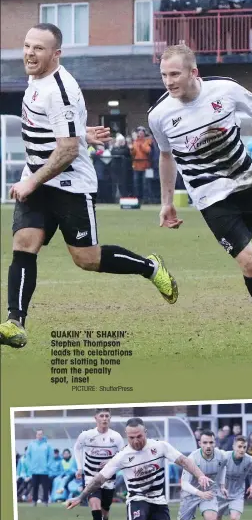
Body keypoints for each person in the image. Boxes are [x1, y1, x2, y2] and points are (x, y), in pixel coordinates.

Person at [0, 23, 178, 350]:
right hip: (39, 179)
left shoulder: (59, 88)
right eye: (27, 45)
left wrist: (32, 180)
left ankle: (149, 267)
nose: (29, 53)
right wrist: (82, 132)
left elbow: (67, 151)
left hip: (70, 184)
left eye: (38, 48)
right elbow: (59, 127)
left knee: (87, 259)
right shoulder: (36, 78)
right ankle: (16, 322)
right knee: (24, 244)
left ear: (56, 54)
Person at [148, 45, 252, 325]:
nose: (169, 81)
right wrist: (167, 202)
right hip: (211, 197)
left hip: (248, 183)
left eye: (175, 74)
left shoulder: (225, 89)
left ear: (194, 72)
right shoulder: (159, 115)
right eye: (164, 75)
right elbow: (166, 157)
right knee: (250, 263)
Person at [66, 417, 211, 520]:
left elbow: (184, 461)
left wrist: (200, 475)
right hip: (137, 499)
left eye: (139, 436)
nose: (135, 441)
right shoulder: (122, 456)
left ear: (145, 433)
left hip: (158, 500)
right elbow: (99, 479)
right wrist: (81, 497)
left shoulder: (160, 447)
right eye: (131, 437)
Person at [73, 408, 125, 520]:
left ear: (110, 418)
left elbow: (123, 455)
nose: (104, 418)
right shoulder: (86, 435)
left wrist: (110, 462)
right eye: (101, 416)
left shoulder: (116, 437)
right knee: (95, 505)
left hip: (108, 479)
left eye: (107, 416)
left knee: (104, 513)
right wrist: (79, 467)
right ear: (95, 418)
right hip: (90, 477)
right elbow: (77, 448)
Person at [170, 430, 227, 520]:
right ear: (199, 443)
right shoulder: (192, 459)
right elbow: (184, 483)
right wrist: (199, 493)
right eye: (205, 442)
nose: (208, 446)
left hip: (209, 490)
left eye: (211, 442)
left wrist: (222, 485)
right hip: (191, 492)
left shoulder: (221, 456)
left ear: (215, 443)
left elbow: (223, 467)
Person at [207, 436, 252, 520]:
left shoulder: (250, 461)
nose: (242, 449)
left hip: (237, 494)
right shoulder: (225, 457)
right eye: (239, 446)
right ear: (233, 447)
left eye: (244, 447)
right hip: (221, 493)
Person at [25, 429, 54, 506]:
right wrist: (30, 465)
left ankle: (45, 501)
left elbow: (51, 456)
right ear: (36, 435)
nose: (39, 435)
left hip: (44, 470)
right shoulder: (31, 444)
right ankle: (34, 501)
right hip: (34, 470)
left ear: (43, 435)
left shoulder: (47, 445)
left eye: (41, 434)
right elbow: (27, 455)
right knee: (35, 486)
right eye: (38, 434)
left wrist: (48, 465)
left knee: (45, 487)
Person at [131, 126, 152, 203]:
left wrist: (141, 145)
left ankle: (146, 199)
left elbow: (148, 151)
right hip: (136, 165)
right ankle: (138, 198)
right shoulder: (134, 142)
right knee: (136, 183)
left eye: (142, 132)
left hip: (146, 166)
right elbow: (132, 153)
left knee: (146, 183)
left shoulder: (148, 141)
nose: (140, 133)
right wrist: (132, 149)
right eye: (139, 132)